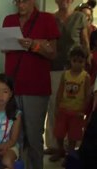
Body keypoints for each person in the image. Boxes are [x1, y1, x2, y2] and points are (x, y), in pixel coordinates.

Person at [3, 0, 60, 169]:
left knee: (34, 135)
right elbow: (4, 48)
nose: (20, 4)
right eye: (16, 0)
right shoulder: (9, 20)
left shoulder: (47, 19)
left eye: (24, 0)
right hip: (11, 86)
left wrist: (35, 45)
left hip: (36, 87)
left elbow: (53, 52)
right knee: (13, 134)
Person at [45, 0, 89, 157]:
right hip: (55, 66)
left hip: (76, 68)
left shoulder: (79, 17)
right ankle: (53, 144)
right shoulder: (51, 18)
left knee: (73, 106)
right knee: (54, 105)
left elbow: (85, 41)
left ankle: (69, 146)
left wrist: (87, 61)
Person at [52, 47, 91, 165]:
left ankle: (70, 155)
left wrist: (83, 110)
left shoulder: (85, 77)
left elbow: (87, 95)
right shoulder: (65, 74)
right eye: (75, 61)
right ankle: (60, 150)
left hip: (76, 111)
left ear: (85, 61)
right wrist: (57, 106)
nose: (77, 64)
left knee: (73, 136)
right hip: (64, 108)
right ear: (70, 60)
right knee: (59, 132)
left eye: (80, 62)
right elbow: (60, 91)